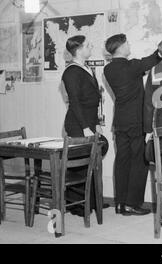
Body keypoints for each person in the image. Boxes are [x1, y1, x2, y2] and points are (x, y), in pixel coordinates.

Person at [104, 33, 162, 216]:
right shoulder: (132, 66)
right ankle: (132, 203)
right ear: (120, 48)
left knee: (122, 161)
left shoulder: (108, 70)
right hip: (135, 122)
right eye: (127, 43)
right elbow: (153, 59)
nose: (129, 45)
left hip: (120, 122)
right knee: (139, 161)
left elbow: (141, 67)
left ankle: (120, 203)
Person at [61, 35, 101, 216]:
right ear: (78, 50)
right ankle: (77, 205)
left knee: (90, 163)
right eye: (88, 45)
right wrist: (85, 126)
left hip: (90, 122)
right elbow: (75, 102)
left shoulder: (87, 68)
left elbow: (94, 98)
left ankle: (91, 202)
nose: (91, 46)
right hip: (78, 124)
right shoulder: (71, 72)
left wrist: (97, 123)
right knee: (79, 166)